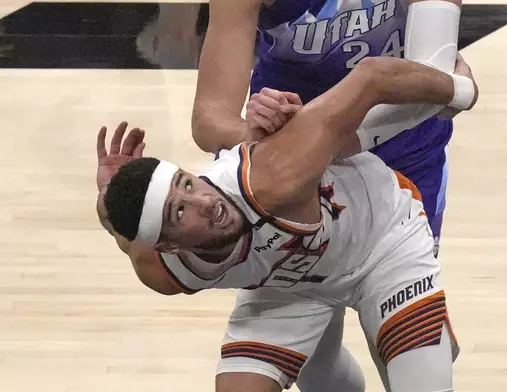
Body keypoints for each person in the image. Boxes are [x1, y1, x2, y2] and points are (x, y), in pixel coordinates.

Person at [96, 55, 477, 392]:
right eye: (180, 212)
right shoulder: (162, 271)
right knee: (308, 379)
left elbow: (372, 77)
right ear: (168, 247)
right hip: (290, 285)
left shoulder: (274, 175)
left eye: (187, 183)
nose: (205, 202)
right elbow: (125, 236)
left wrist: (461, 91)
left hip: (382, 240)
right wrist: (106, 197)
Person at [192, 0, 469, 259]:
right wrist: (258, 137)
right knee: (302, 298)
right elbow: (210, 120)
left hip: (403, 147)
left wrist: (314, 138)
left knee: (407, 300)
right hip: (288, 157)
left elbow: (432, 86)